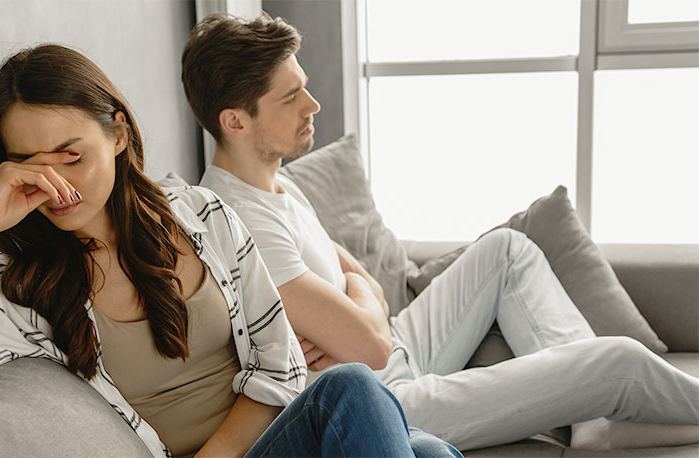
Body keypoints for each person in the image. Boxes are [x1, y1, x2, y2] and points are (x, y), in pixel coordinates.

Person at [0, 44, 463, 458]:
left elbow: (281, 362)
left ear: (117, 136)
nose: (56, 185)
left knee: (424, 446)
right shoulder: (17, 286)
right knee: (361, 392)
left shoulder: (201, 214)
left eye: (71, 156)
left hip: (278, 443)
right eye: (31, 163)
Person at [183, 13, 699, 452]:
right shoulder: (241, 219)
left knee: (507, 249)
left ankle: (591, 419)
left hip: (397, 345)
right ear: (235, 122)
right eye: (291, 97)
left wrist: (364, 304)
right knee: (617, 360)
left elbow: (359, 284)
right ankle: (598, 397)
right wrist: (367, 321)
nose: (313, 105)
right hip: (385, 401)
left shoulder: (277, 185)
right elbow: (371, 353)